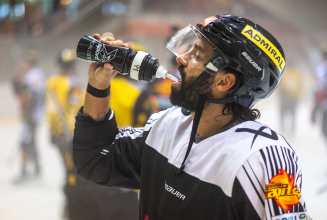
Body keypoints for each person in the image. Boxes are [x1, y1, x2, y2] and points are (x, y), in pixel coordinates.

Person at [73, 15, 311, 220]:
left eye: (196, 54)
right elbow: (95, 158)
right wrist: (98, 85)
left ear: (224, 81)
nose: (181, 58)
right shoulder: (166, 125)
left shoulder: (263, 157)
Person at [47, 48, 139, 220]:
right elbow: (79, 108)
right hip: (72, 134)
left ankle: (69, 207)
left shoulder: (51, 82)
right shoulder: (73, 84)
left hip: (56, 131)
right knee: (80, 173)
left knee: (70, 172)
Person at [12, 49, 46, 184]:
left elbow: (35, 96)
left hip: (32, 116)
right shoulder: (30, 75)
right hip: (31, 116)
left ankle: (24, 171)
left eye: (24, 61)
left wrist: (29, 114)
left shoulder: (35, 75)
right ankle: (37, 168)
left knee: (25, 142)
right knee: (30, 142)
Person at [278, 64, 302, 135]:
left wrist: (298, 96)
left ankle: (292, 130)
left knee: (293, 115)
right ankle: (283, 129)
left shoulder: (296, 74)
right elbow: (280, 84)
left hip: (292, 98)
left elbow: (300, 86)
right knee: (282, 114)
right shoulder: (286, 74)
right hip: (285, 97)